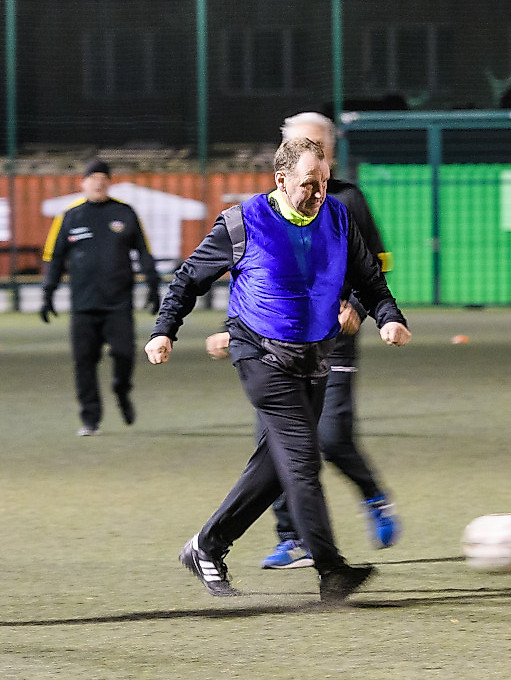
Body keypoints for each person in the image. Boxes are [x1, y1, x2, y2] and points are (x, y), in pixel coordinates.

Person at [146, 137, 411, 603]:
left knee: (273, 467)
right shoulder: (242, 222)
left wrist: (388, 317)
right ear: (281, 179)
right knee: (303, 461)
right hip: (259, 355)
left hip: (314, 358)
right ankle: (331, 569)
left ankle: (206, 546)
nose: (319, 193)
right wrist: (164, 329)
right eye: (309, 184)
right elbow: (188, 278)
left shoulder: (339, 218)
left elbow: (370, 280)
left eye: (324, 182)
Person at [205, 111, 399, 571]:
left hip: (333, 338)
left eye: (318, 144)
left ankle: (373, 496)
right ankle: (292, 537)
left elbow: (376, 263)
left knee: (329, 437)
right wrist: (237, 329)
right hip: (277, 345)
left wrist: (357, 306)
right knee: (276, 442)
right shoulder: (268, 211)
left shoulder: (347, 200)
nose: (312, 153)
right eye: (300, 145)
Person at [40, 158, 161, 436]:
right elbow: (55, 258)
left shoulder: (124, 212)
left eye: (103, 179)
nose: (98, 184)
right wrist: (48, 292)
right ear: (83, 183)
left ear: (109, 183)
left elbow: (144, 252)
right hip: (83, 305)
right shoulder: (70, 216)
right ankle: (90, 419)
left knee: (124, 354)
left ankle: (121, 389)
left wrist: (153, 286)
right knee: (84, 362)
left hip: (118, 303)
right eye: (93, 179)